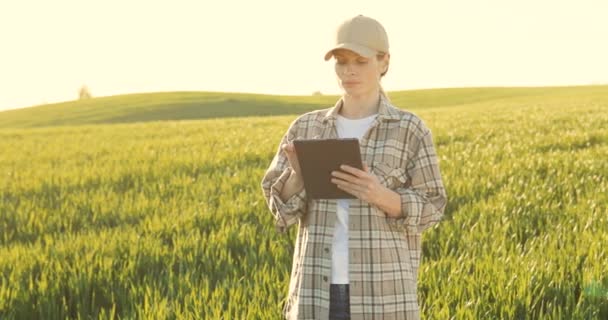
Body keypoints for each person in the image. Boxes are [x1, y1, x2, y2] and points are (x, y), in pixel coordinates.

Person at [260, 14, 448, 320]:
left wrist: (380, 195)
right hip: (315, 293)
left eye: (360, 61)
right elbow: (281, 210)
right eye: (341, 61)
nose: (349, 70)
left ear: (384, 62)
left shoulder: (410, 129)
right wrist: (297, 176)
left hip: (384, 294)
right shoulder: (306, 127)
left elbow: (433, 208)